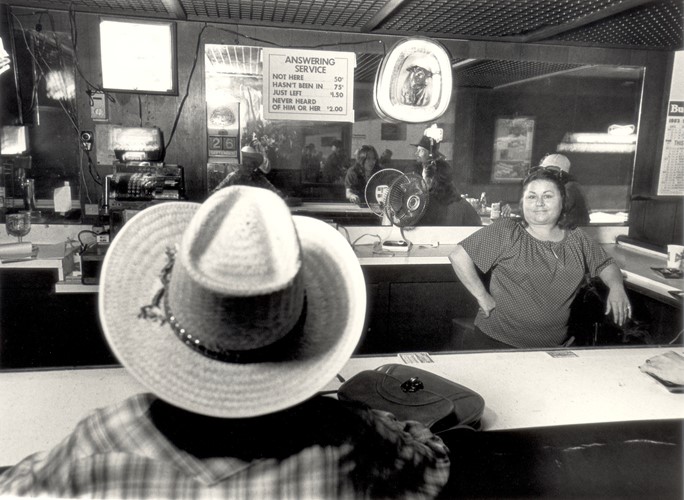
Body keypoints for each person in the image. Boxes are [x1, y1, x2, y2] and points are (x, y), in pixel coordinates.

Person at [0, 186, 450, 498]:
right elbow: (433, 462)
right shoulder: (351, 440)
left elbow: (14, 488)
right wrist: (370, 416)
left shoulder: (103, 443)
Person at [448, 168, 631, 350]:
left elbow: (606, 264)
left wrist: (616, 287)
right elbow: (459, 256)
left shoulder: (577, 238)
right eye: (531, 196)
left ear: (563, 201)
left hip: (553, 348)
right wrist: (482, 296)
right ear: (522, 203)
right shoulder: (507, 232)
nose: (539, 203)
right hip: (498, 343)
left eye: (548, 196)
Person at [501, 153, 590, 226]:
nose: (546, 175)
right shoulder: (560, 187)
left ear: (562, 174)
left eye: (552, 172)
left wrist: (513, 210)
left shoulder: (570, 187)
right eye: (544, 171)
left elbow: (546, 211)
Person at [412, 134, 481, 226]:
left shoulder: (423, 208)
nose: (422, 183)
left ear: (431, 180)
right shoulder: (465, 207)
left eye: (423, 179)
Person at [212, 141, 282, 196]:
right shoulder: (232, 177)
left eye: (251, 165)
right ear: (240, 164)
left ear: (254, 166)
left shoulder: (258, 178)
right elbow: (216, 192)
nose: (248, 168)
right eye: (245, 164)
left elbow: (274, 191)